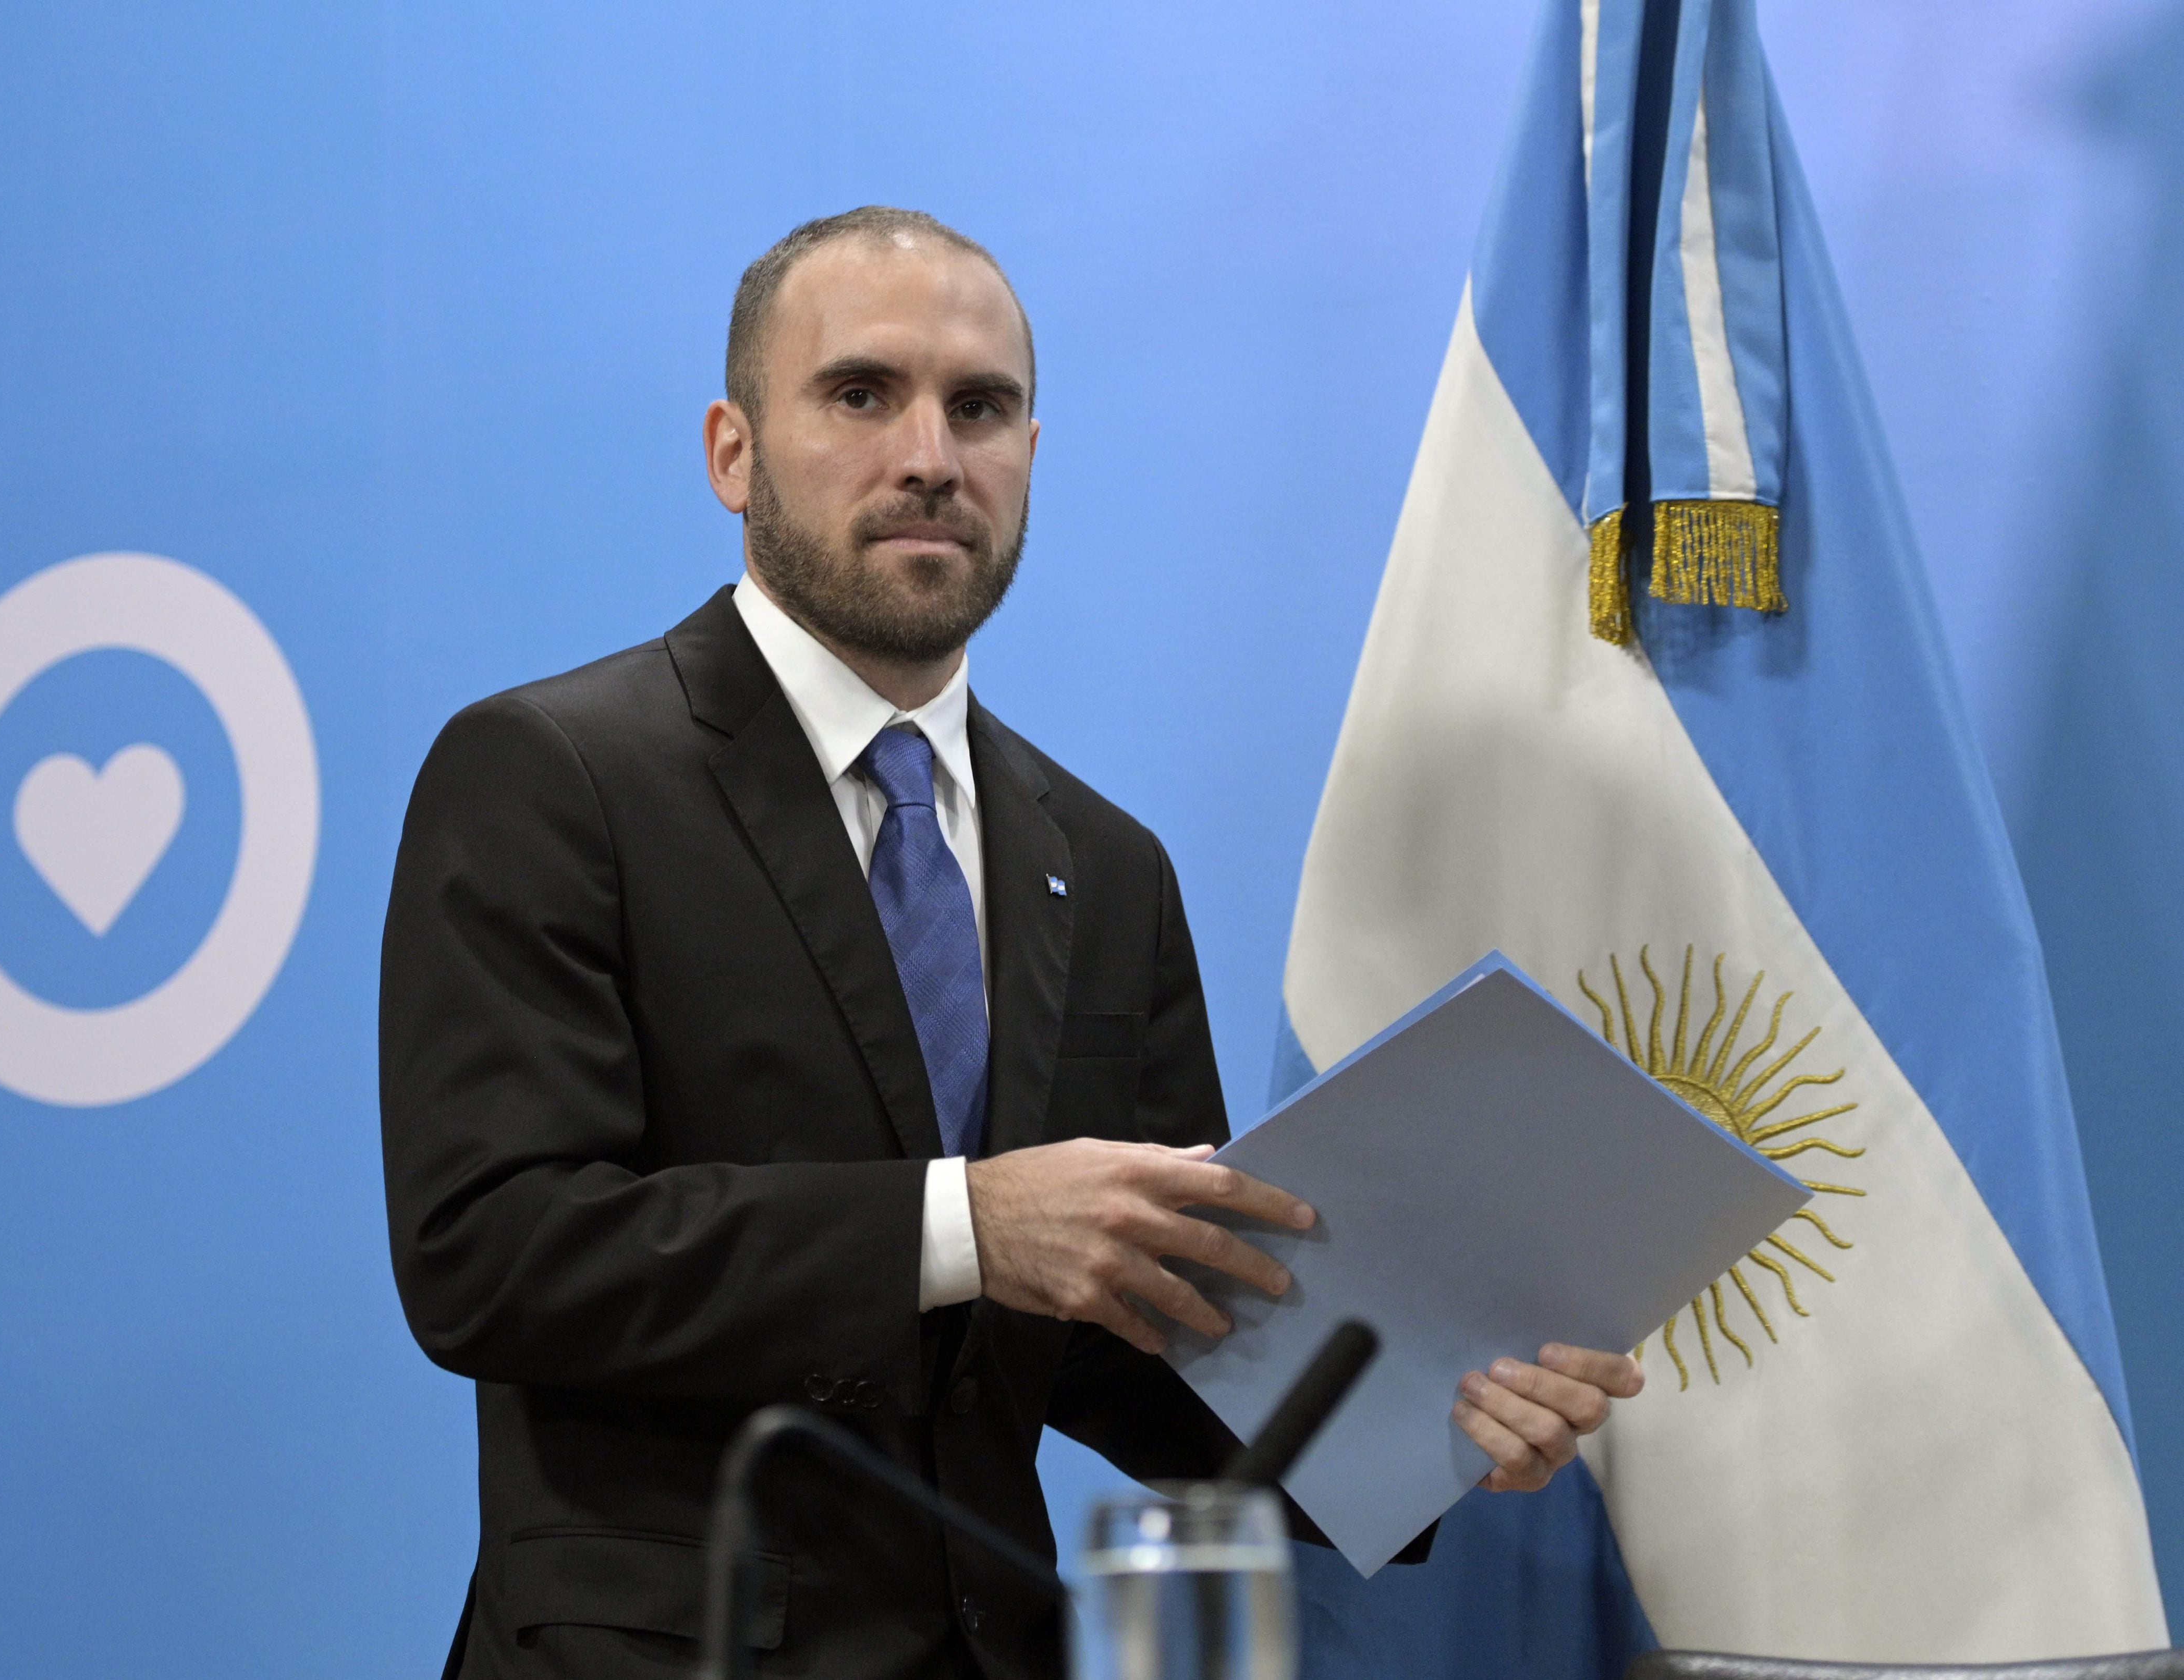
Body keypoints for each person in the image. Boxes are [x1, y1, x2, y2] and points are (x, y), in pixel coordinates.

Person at [379, 206, 1643, 1680]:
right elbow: (496, 1254)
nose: (929, 456)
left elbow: (1141, 1340)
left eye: (979, 409)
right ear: (732, 450)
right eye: (861, 395)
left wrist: (1416, 1419)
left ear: (1031, 456)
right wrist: (967, 1226)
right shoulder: (553, 772)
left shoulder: (1102, 865)